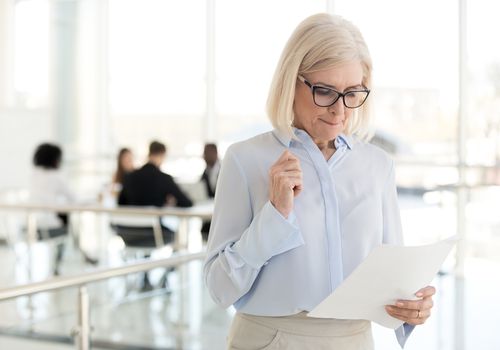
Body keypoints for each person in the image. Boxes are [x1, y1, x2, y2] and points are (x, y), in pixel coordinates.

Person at [203, 13, 435, 350]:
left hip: (355, 341)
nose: (340, 110)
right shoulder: (245, 160)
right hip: (269, 340)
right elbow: (219, 287)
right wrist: (275, 216)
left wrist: (411, 307)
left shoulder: (377, 166)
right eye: (325, 91)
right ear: (291, 81)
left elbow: (394, 282)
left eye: (353, 92)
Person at [117, 141, 193, 290]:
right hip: (154, 235)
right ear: (162, 155)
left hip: (128, 234)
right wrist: (168, 201)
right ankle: (166, 277)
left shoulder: (130, 177)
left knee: (149, 227)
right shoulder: (163, 178)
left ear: (149, 153)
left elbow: (121, 203)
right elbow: (186, 202)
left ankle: (145, 277)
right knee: (177, 236)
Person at [29, 143, 75, 275]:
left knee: (64, 218)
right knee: (67, 222)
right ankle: (58, 264)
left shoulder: (33, 176)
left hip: (29, 228)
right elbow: (74, 199)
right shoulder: (57, 177)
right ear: (56, 159)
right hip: (50, 230)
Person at [200, 143, 220, 240]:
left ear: (215, 153)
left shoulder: (224, 170)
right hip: (207, 216)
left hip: (220, 216)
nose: (204, 156)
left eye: (206, 153)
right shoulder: (204, 173)